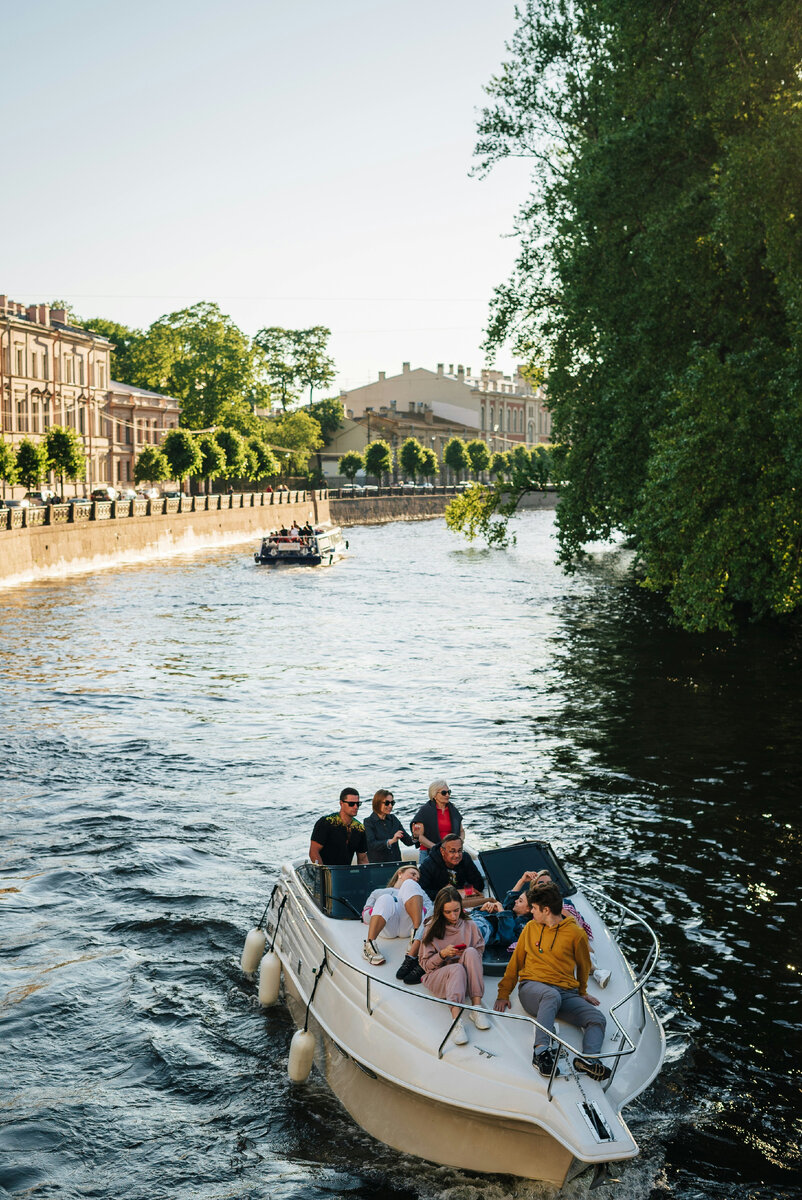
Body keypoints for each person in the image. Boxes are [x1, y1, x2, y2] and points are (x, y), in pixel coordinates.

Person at [493, 881, 610, 1081]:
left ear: (546, 910)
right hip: (532, 989)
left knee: (597, 1018)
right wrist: (504, 993)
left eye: (535, 909)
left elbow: (583, 966)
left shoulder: (576, 934)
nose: (531, 913)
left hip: (564, 992)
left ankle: (589, 1060)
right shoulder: (530, 928)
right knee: (550, 995)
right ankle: (540, 1052)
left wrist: (581, 992)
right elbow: (516, 962)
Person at [419, 886, 491, 1045]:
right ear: (440, 911)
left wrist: (463, 954)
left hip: (465, 978)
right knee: (456, 968)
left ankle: (476, 1008)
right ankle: (456, 1021)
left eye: (456, 910)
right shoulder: (431, 927)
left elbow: (478, 953)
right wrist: (443, 954)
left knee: (472, 952)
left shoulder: (470, 925)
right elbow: (426, 965)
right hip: (440, 978)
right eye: (448, 912)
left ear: (461, 907)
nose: (453, 916)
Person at [525, 869, 610, 988]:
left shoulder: (565, 903)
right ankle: (594, 971)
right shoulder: (533, 907)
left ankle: (594, 970)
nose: (546, 886)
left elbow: (575, 919)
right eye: (541, 883)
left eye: (549, 883)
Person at [361, 864, 431, 965]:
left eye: (418, 878)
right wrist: (378, 909)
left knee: (410, 885)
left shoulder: (419, 892)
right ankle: (369, 945)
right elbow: (365, 916)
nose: (416, 878)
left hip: (409, 926)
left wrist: (416, 906)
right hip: (386, 927)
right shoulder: (378, 892)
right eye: (413, 874)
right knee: (386, 898)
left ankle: (416, 938)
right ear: (400, 873)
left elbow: (430, 911)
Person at [418, 834, 485, 907]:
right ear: (442, 851)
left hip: (463, 901)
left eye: (459, 850)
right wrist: (449, 893)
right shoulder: (428, 864)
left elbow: (479, 884)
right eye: (452, 851)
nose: (457, 855)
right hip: (438, 904)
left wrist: (465, 891)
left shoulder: (465, 858)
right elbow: (422, 892)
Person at [309, 787, 368, 866]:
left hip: (345, 873)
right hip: (325, 872)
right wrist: (324, 873)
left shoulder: (359, 828)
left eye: (358, 804)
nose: (355, 807)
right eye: (351, 804)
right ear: (341, 803)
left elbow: (362, 858)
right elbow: (313, 852)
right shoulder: (326, 822)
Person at [410, 781, 465, 851]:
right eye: (444, 793)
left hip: (451, 852)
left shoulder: (453, 810)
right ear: (434, 795)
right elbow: (420, 836)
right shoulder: (425, 811)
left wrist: (459, 843)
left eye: (449, 792)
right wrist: (437, 848)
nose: (448, 795)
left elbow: (462, 831)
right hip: (429, 852)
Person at [364, 790, 414, 864]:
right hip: (378, 865)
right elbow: (371, 844)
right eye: (387, 803)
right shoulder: (368, 822)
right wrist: (391, 841)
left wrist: (416, 835)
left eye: (392, 803)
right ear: (377, 803)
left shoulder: (393, 819)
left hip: (395, 863)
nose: (390, 806)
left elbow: (408, 841)